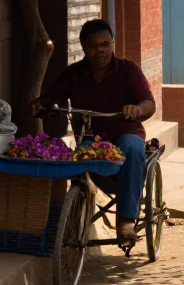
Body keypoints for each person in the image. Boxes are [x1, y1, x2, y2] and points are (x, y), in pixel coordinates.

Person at [31, 18, 156, 246]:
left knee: (132, 147)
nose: (101, 51)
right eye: (94, 45)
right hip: (90, 141)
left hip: (124, 135)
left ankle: (126, 221)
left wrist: (136, 109)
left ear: (112, 45)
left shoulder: (128, 70)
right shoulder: (74, 74)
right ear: (83, 47)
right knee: (76, 158)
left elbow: (149, 103)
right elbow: (50, 97)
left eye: (105, 44)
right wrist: (40, 104)